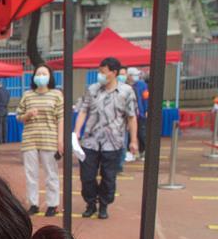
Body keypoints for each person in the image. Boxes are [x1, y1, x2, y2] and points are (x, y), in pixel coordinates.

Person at [73, 57, 138, 220]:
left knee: (109, 177)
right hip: (90, 141)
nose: (100, 75)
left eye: (103, 72)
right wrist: (77, 131)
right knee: (87, 176)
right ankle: (90, 203)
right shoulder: (92, 89)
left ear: (114, 73)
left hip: (113, 142)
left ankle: (103, 205)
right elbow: (83, 111)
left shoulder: (126, 91)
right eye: (99, 71)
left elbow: (131, 117)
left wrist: (133, 140)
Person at [18, 64, 64, 217]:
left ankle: (52, 204)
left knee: (51, 172)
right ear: (33, 77)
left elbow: (61, 118)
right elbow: (19, 116)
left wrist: (60, 140)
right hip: (30, 138)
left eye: (44, 74)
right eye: (38, 74)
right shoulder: (27, 95)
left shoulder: (56, 95)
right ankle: (33, 203)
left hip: (49, 138)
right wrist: (27, 115)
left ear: (50, 77)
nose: (41, 76)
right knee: (31, 173)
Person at [127, 67, 149, 158]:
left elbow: (146, 98)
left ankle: (143, 151)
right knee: (129, 134)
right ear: (129, 76)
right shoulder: (125, 85)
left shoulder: (142, 85)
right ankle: (129, 153)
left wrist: (146, 110)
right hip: (128, 114)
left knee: (142, 134)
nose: (137, 76)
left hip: (140, 113)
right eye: (135, 75)